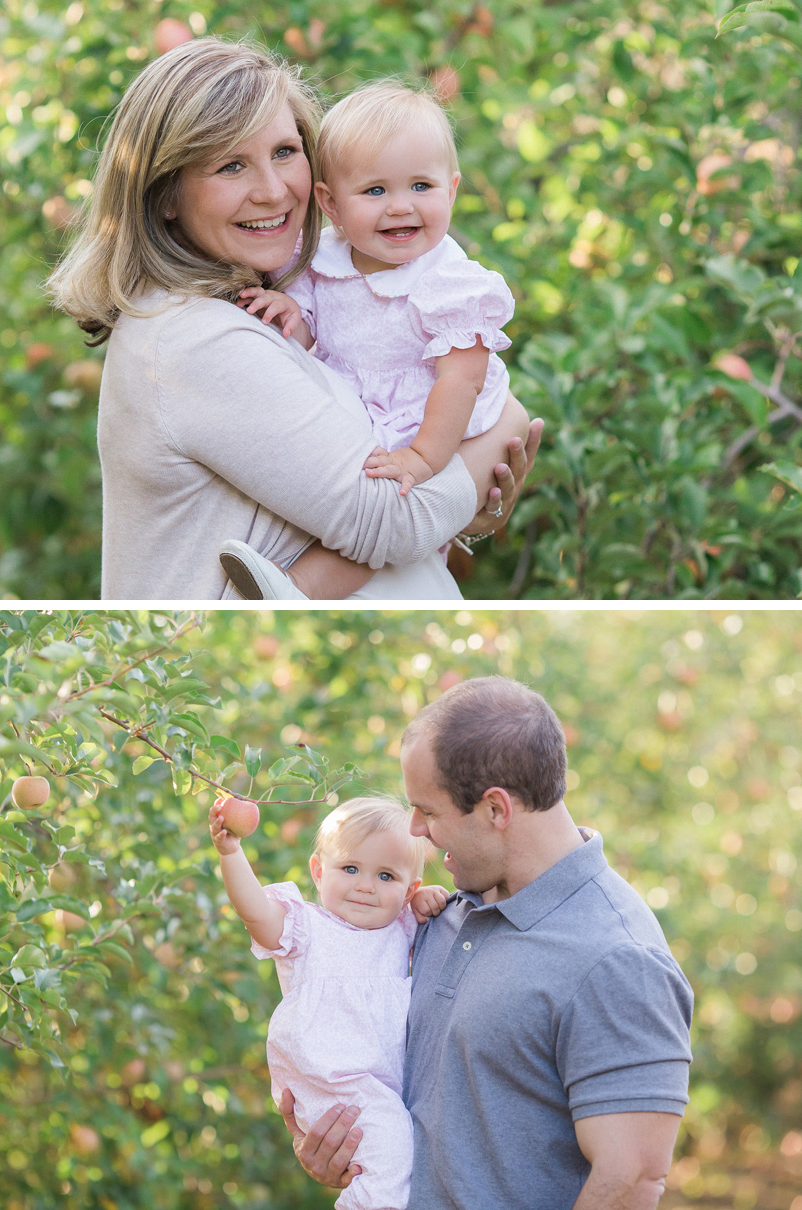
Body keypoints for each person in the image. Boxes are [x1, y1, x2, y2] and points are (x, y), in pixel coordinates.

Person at [46, 38, 542, 601]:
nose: (274, 190)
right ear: (166, 196)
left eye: (285, 151)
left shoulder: (278, 297)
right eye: (231, 165)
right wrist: (505, 424)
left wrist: (459, 511)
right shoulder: (194, 339)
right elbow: (392, 521)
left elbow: (357, 504)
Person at [281, 676, 694, 1210]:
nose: (415, 831)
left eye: (428, 811)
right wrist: (341, 1148)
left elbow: (631, 1180)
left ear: (496, 810)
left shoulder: (615, 958)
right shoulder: (440, 910)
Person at [219, 81, 529, 602]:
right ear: (331, 204)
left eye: (421, 188)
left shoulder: (451, 282)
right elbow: (320, 332)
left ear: (452, 190)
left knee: (380, 523)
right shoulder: (325, 260)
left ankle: (296, 591)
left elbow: (461, 382)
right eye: (376, 191)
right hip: (367, 405)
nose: (400, 207)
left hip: (433, 420)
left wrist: (423, 459)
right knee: (362, 520)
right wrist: (293, 314)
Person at [208, 795, 449, 1210]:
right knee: (393, 1149)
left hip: (374, 1085)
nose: (365, 885)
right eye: (350, 868)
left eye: (386, 876)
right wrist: (231, 852)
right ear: (319, 872)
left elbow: (430, 908)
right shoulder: (306, 929)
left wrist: (431, 900)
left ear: (410, 890)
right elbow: (254, 912)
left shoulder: (402, 931)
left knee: (393, 1155)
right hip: (331, 1076)